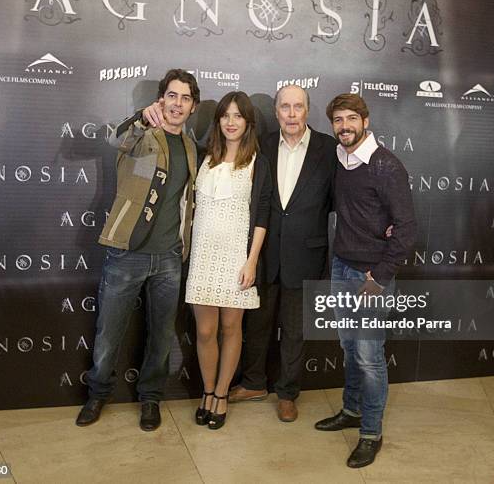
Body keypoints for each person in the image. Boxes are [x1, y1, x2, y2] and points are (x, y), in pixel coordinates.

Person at [76, 69, 199, 432]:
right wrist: (140, 118)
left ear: (193, 106)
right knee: (108, 332)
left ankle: (150, 399)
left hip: (169, 258)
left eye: (185, 98)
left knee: (161, 335)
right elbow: (115, 138)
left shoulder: (192, 147)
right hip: (126, 252)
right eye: (172, 96)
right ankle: (97, 394)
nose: (177, 104)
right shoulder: (142, 133)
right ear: (161, 100)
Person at [143, 91, 273, 430]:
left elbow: (261, 216)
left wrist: (251, 262)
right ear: (218, 121)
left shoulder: (258, 161)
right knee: (204, 330)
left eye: (237, 116)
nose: (231, 122)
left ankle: (221, 396)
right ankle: (206, 391)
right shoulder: (202, 155)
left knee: (231, 328)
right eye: (225, 115)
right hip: (202, 256)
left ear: (248, 123)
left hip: (236, 259)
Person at [314, 93, 416, 468]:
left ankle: (371, 432)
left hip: (371, 276)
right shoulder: (341, 160)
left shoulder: (386, 166)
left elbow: (406, 229)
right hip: (342, 267)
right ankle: (352, 410)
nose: (344, 127)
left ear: (365, 121)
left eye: (351, 119)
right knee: (350, 347)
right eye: (338, 120)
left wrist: (380, 276)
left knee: (370, 358)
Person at [230, 85, 337, 422]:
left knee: (294, 330)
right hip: (262, 254)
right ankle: (253, 383)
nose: (292, 114)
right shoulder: (261, 145)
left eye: (298, 107)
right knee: (257, 325)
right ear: (276, 112)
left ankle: (288, 393)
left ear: (308, 111)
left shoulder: (329, 149)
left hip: (306, 255)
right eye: (285, 107)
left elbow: (344, 201)